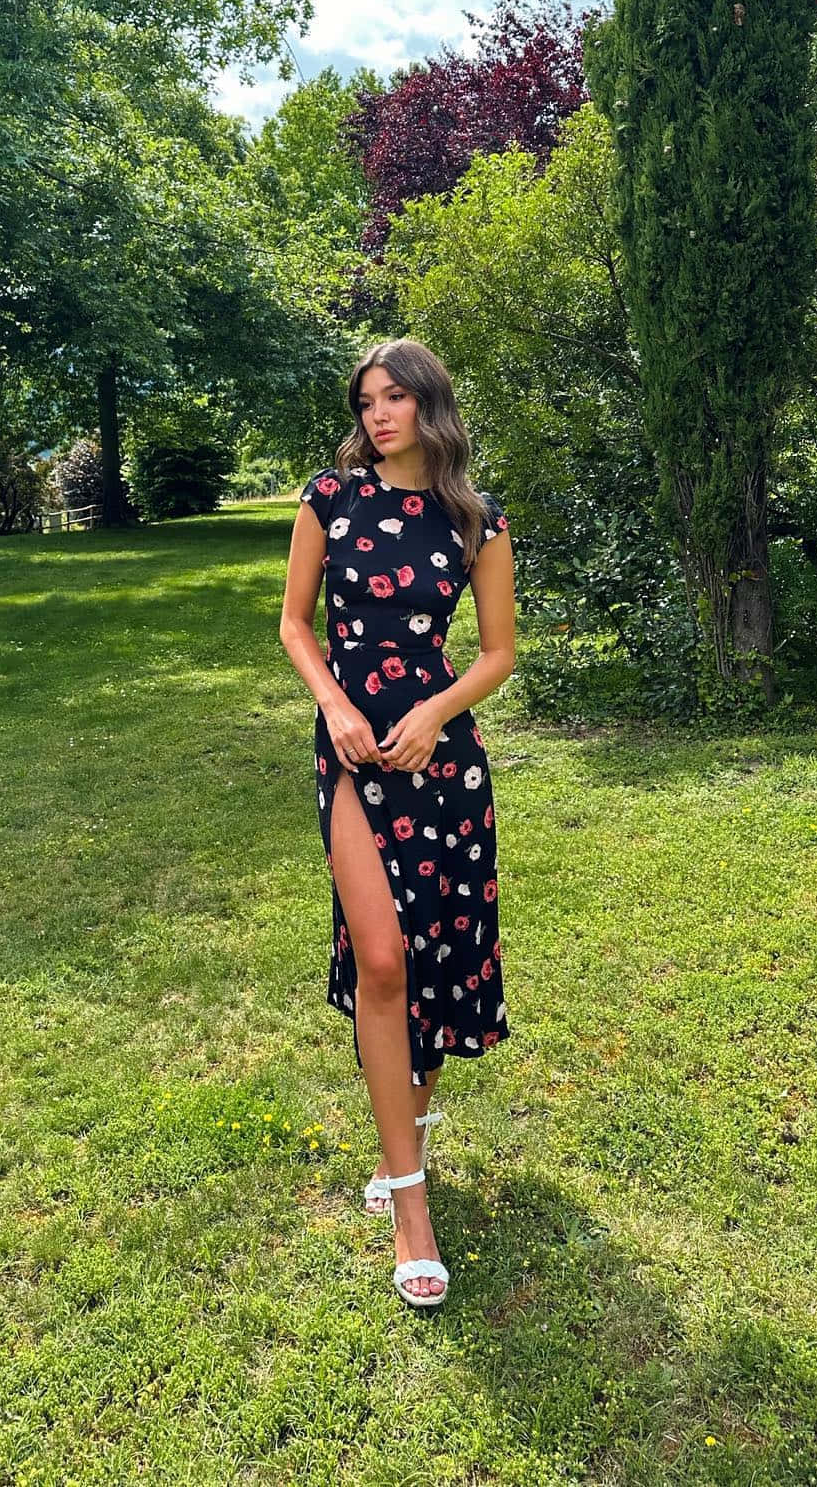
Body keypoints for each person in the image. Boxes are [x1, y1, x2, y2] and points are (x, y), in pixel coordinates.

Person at [279, 338, 515, 1310]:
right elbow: (296, 622)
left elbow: (498, 652)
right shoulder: (329, 500)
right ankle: (410, 1206)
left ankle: (399, 1143)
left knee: (433, 957)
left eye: (396, 398)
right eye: (366, 400)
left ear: (430, 405)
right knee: (382, 957)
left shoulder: (477, 520)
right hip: (352, 751)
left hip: (440, 760)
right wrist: (336, 706)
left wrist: (436, 714)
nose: (378, 414)